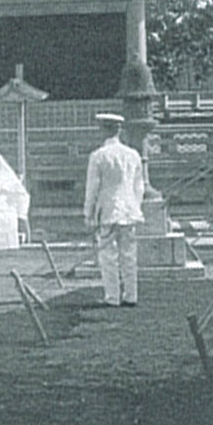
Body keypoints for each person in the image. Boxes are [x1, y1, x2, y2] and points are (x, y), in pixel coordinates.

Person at [83, 112, 145, 307]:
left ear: (104, 130)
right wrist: (135, 206)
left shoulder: (99, 156)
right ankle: (131, 295)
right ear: (119, 130)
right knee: (129, 254)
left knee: (108, 255)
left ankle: (112, 297)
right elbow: (139, 186)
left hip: (108, 210)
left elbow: (92, 188)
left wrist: (88, 212)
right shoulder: (133, 155)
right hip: (129, 210)